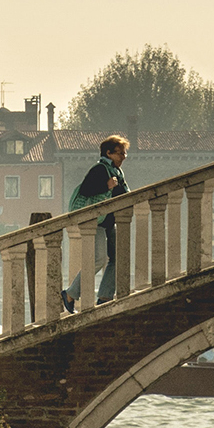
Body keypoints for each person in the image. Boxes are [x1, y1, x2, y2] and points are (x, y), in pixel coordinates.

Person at [61, 134, 132, 313]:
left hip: (111, 221)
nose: (123, 157)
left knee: (118, 258)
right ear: (108, 153)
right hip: (97, 222)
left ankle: (105, 296)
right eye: (120, 154)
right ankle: (70, 294)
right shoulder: (99, 169)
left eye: (124, 154)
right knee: (99, 259)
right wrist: (106, 187)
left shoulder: (118, 172)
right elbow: (86, 190)